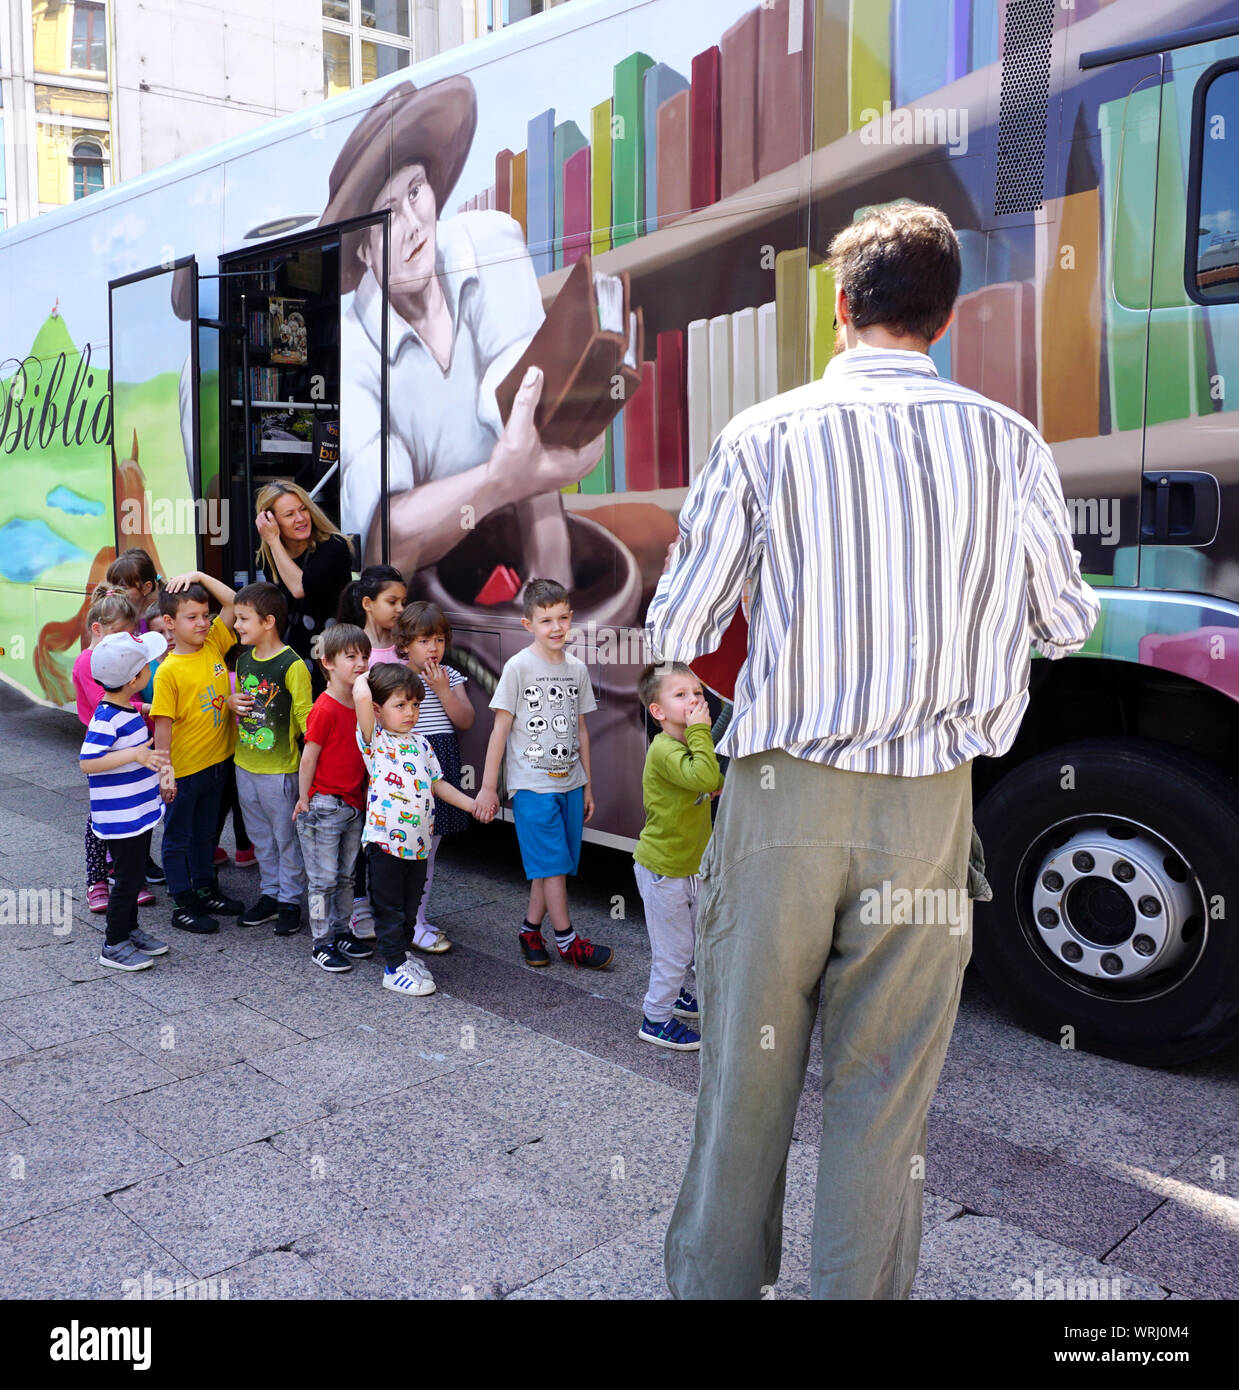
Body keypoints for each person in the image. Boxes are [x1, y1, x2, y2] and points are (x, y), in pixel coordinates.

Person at [647, 203, 1101, 1300]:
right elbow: (1068, 621)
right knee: (887, 1083)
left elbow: (684, 622)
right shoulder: (1011, 442)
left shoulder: (764, 433)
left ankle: (715, 1286)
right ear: (944, 318)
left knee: (748, 1074)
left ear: (840, 307)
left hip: (780, 799)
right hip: (932, 807)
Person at [323, 77, 605, 580]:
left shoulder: (491, 243)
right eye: (387, 214)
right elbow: (387, 539)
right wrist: (500, 478)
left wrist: (552, 622)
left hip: (519, 549)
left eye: (415, 191)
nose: (413, 223)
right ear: (363, 251)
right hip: (417, 598)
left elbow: (530, 419)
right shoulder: (349, 350)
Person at [474, 579, 613, 970]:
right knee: (552, 864)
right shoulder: (518, 667)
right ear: (527, 624)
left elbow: (581, 729)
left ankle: (530, 930)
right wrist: (489, 788)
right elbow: (500, 729)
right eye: (546, 620)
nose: (556, 627)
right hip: (532, 786)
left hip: (570, 783)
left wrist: (586, 784)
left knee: (552, 864)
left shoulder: (577, 668)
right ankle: (569, 942)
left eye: (563, 618)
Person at [353, 663, 479, 995]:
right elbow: (361, 695)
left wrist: (472, 804)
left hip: (418, 844)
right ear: (378, 711)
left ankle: (402, 955)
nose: (410, 712)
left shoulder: (422, 744)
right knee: (389, 906)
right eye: (400, 705)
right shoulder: (375, 741)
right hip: (385, 845)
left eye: (414, 704)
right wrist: (371, 672)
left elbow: (440, 785)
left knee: (411, 906)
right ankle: (393, 968)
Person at [632, 662, 724, 1052]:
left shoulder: (687, 745)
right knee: (673, 952)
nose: (694, 701)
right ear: (658, 712)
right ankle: (655, 1018)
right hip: (663, 870)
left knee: (694, 939)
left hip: (689, 866)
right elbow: (706, 778)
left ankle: (677, 997)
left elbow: (713, 779)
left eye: (698, 693)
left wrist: (700, 738)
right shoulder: (665, 749)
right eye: (681, 695)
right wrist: (702, 730)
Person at [150, 571, 246, 936]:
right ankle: (182, 901)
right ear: (170, 623)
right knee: (178, 837)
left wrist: (198, 575)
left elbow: (234, 602)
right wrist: (166, 773)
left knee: (207, 834)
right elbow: (162, 727)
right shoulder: (168, 672)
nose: (204, 623)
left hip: (217, 764)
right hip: (185, 771)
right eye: (193, 617)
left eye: (205, 615)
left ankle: (206, 889)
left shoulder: (214, 644)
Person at [79, 630, 175, 971]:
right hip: (121, 818)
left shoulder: (125, 709)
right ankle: (114, 943)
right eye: (147, 665)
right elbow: (87, 762)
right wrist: (133, 754)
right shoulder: (106, 719)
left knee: (133, 878)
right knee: (127, 882)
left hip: (137, 811)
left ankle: (130, 930)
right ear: (135, 678)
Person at [230, 582, 312, 937]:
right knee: (260, 836)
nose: (236, 625)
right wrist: (231, 703)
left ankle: (290, 901)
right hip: (244, 766)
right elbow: (240, 702)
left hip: (280, 771)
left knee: (286, 839)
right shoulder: (244, 659)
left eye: (243, 619)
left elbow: (307, 719)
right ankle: (270, 894)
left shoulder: (292, 665)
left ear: (268, 621)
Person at [392, 600, 474, 953]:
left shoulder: (450, 676)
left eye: (439, 640)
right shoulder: (394, 676)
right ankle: (402, 918)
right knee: (404, 850)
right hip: (405, 769)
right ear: (405, 644)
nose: (433, 648)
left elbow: (466, 720)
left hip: (440, 765)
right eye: (424, 640)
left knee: (430, 848)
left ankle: (416, 918)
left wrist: (442, 689)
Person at [72, 586, 158, 916]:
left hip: (122, 743)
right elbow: (106, 706)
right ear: (99, 629)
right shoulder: (89, 663)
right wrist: (143, 707)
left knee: (126, 815)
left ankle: (126, 877)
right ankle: (98, 881)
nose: (130, 641)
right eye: (123, 633)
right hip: (107, 745)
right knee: (100, 821)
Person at [293, 623, 374, 973]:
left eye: (364, 656)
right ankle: (320, 941)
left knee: (346, 878)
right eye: (350, 656)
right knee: (322, 881)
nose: (360, 663)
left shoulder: (362, 703)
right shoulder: (324, 708)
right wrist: (303, 799)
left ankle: (342, 932)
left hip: (354, 805)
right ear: (327, 662)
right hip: (324, 805)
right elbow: (308, 756)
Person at [254, 480, 354, 687]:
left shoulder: (333, 546)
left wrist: (273, 541)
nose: (300, 518)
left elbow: (300, 588)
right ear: (271, 520)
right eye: (289, 514)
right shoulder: (269, 558)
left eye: (303, 509)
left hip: (333, 654)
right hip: (294, 655)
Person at [213, 642, 256, 870]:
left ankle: (211, 847)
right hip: (243, 751)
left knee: (219, 803)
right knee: (240, 803)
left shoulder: (219, 679)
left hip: (220, 751)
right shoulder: (242, 679)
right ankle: (244, 849)